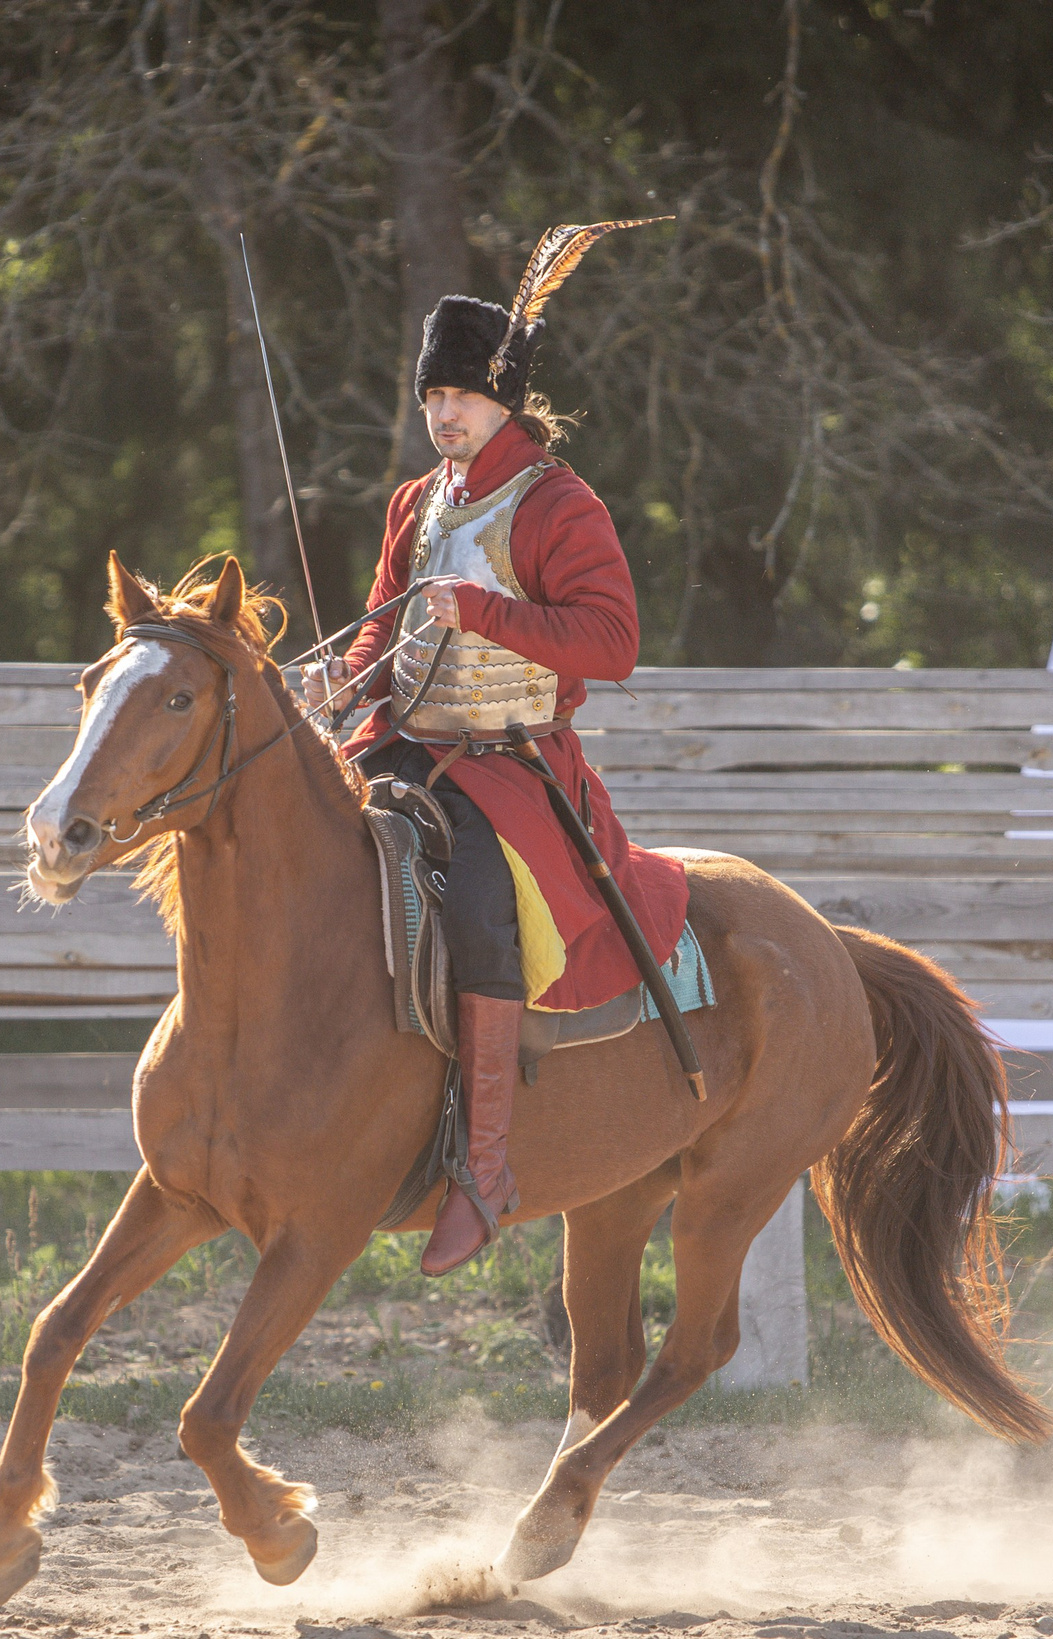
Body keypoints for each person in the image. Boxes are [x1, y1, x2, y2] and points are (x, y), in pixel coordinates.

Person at [305, 222, 689, 1275]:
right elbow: (384, 622)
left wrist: (488, 612)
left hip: (507, 766)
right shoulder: (414, 503)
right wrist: (340, 679)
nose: (442, 417)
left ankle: (485, 1167)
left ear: (503, 401)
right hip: (400, 743)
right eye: (431, 400)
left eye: (461, 399)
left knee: (475, 900)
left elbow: (613, 644)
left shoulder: (558, 504)